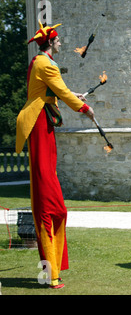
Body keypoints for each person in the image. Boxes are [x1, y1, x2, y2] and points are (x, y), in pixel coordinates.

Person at [15, 21, 95, 288]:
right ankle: (51, 274)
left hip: (43, 123)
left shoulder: (41, 62)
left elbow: (52, 90)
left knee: (54, 205)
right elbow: (58, 90)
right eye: (58, 40)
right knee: (50, 206)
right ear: (50, 42)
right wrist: (84, 108)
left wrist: (75, 94)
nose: (61, 43)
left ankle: (51, 271)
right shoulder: (45, 63)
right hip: (38, 125)